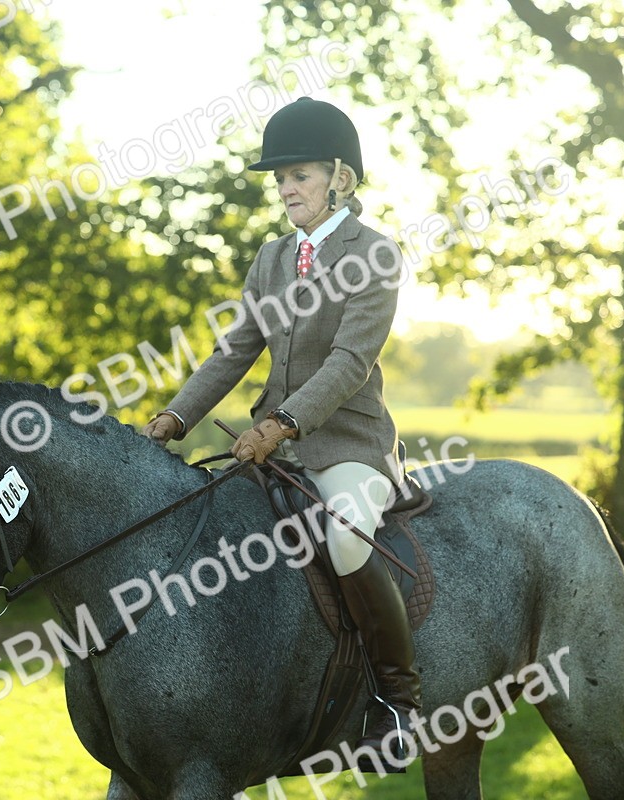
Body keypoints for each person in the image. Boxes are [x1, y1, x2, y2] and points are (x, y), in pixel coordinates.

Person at [141, 96, 419, 757]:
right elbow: (236, 348)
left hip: (348, 444)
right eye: (281, 179)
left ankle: (397, 701)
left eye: (299, 176)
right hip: (275, 450)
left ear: (339, 178)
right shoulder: (271, 258)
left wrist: (281, 423)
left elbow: (351, 361)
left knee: (347, 539)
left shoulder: (375, 253)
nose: (287, 189)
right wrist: (176, 416)